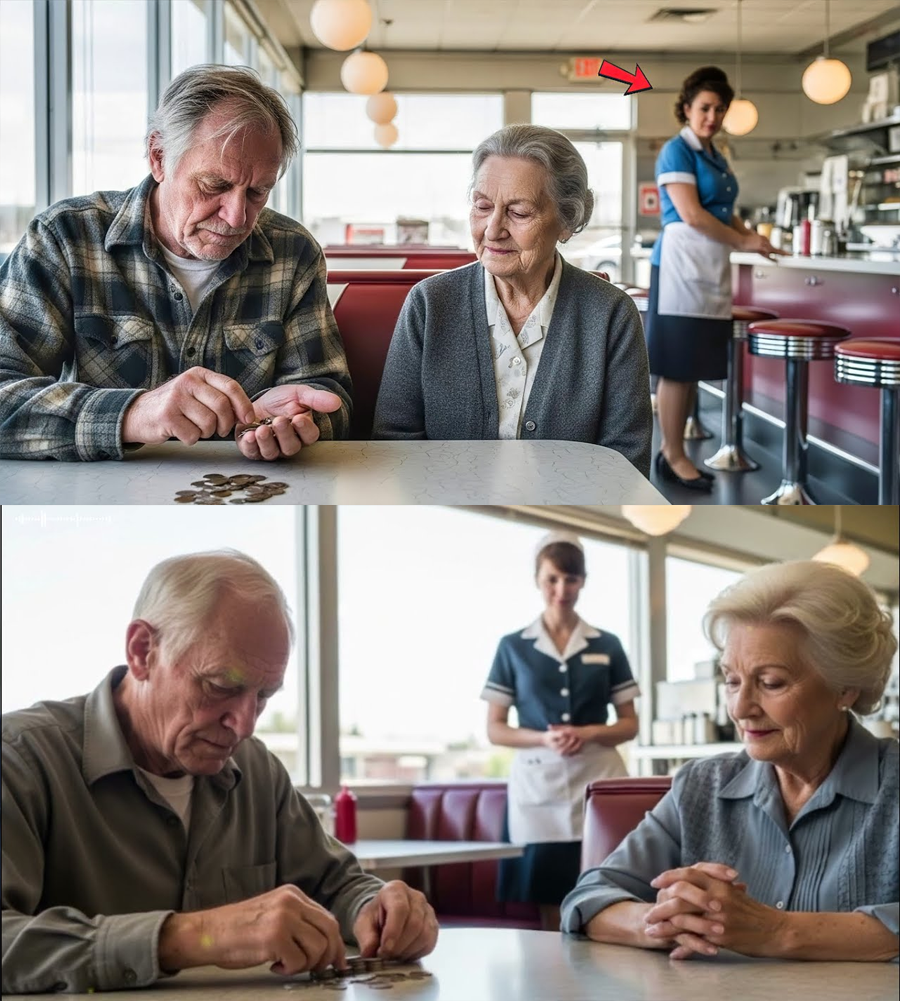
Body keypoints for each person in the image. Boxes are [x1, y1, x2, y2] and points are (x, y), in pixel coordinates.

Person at [1, 551, 438, 994]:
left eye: (263, 696)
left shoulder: (257, 771)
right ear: (142, 651)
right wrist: (194, 937)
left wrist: (377, 908)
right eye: (220, 686)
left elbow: (335, 884)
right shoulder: (20, 761)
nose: (244, 726)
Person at [0, 65, 351, 462]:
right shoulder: (66, 238)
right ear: (159, 157)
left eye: (257, 192)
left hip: (253, 490)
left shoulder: (294, 252)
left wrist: (297, 419)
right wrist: (133, 414)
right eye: (214, 185)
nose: (237, 216)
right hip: (100, 495)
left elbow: (328, 393)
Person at [561, 560, 898, 963]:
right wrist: (667, 920)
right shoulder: (700, 786)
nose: (739, 708)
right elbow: (589, 898)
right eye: (732, 681)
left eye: (771, 682)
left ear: (846, 687)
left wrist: (777, 931)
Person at [372, 125, 652, 477]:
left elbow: (626, 462)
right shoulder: (429, 304)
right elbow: (395, 443)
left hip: (573, 509)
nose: (492, 230)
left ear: (568, 221)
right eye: (482, 206)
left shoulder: (610, 314)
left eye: (519, 213)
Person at [481, 532, 640, 930]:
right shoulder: (512, 647)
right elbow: (495, 730)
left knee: (605, 884)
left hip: (597, 779)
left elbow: (629, 724)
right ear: (537, 579)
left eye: (571, 579)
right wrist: (543, 738)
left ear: (583, 581)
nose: (561, 589)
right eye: (552, 579)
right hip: (540, 787)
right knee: (549, 893)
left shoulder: (608, 644)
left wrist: (587, 733)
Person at [647, 66, 785, 491]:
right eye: (705, 107)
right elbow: (691, 214)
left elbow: (724, 211)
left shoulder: (715, 154)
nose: (712, 116)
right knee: (677, 367)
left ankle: (676, 453)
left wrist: (753, 238)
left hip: (707, 265)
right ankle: (671, 455)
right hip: (680, 267)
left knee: (691, 366)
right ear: (687, 108)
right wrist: (742, 242)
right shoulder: (676, 151)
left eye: (720, 109)